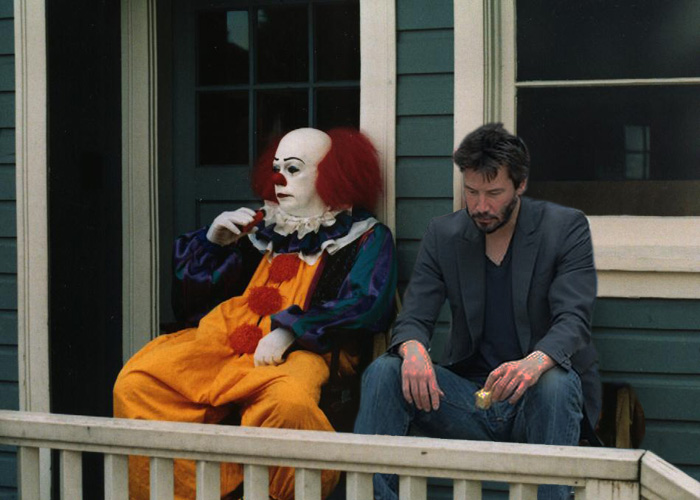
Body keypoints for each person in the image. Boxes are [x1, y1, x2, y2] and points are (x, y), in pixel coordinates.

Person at [114, 127, 397, 500]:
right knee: (139, 382)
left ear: (331, 175)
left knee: (287, 404)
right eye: (276, 168)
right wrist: (212, 245)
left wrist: (291, 330)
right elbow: (192, 306)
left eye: (293, 169)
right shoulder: (259, 228)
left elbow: (365, 303)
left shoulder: (365, 236)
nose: (278, 179)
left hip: (306, 351)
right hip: (228, 340)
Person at [354, 123, 601, 500]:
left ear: (520, 185)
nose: (480, 206)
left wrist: (534, 363)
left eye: (494, 193)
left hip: (537, 398)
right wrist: (413, 349)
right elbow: (414, 316)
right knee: (385, 371)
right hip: (468, 398)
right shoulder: (443, 234)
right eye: (471, 192)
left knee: (556, 381)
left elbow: (574, 319)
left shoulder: (565, 228)